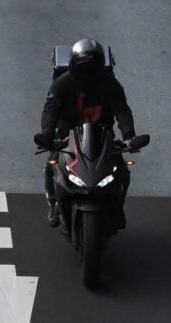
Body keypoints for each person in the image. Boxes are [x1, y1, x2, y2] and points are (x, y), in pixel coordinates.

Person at [33, 39, 137, 227]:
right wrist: (47, 135)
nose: (88, 73)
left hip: (102, 134)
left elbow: (122, 110)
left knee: (121, 168)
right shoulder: (62, 85)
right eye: (84, 68)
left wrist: (129, 136)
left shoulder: (110, 85)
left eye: (92, 67)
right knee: (52, 163)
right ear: (74, 65)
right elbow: (50, 110)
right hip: (68, 134)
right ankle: (54, 202)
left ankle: (118, 206)